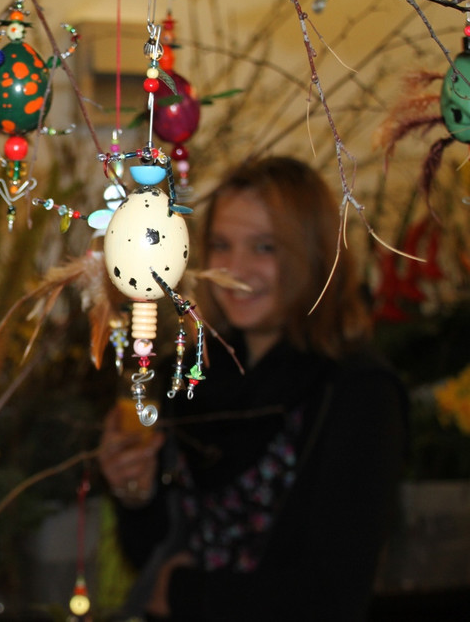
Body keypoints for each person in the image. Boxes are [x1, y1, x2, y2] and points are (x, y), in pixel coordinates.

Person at [98, 156, 407, 621]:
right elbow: (154, 551)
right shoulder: (193, 374)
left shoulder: (357, 392)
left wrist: (183, 594)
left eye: (264, 247)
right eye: (221, 245)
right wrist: (135, 493)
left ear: (313, 255)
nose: (235, 269)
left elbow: (333, 596)